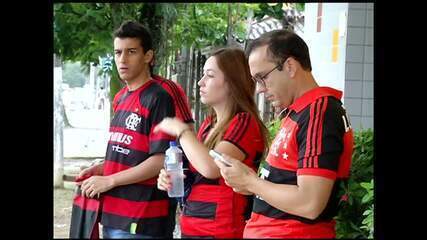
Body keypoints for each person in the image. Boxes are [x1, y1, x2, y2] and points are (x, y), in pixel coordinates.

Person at [215, 29, 354, 239]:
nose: (260, 89)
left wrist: (251, 182)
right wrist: (248, 182)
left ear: (289, 66)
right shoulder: (301, 111)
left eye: (262, 78)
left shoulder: (319, 111)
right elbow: (285, 184)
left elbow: (310, 203)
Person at [75, 20, 193, 239]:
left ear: (148, 56)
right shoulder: (121, 98)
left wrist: (110, 180)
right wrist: (103, 168)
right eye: (118, 52)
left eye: (131, 52)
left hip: (142, 218)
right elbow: (130, 152)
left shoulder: (158, 97)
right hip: (113, 214)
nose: (122, 59)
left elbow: (160, 160)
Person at [154, 47, 268, 238]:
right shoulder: (209, 124)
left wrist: (182, 131)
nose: (200, 82)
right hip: (193, 226)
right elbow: (198, 172)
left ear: (232, 82)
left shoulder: (244, 122)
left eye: (210, 75)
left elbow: (212, 168)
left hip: (222, 229)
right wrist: (170, 177)